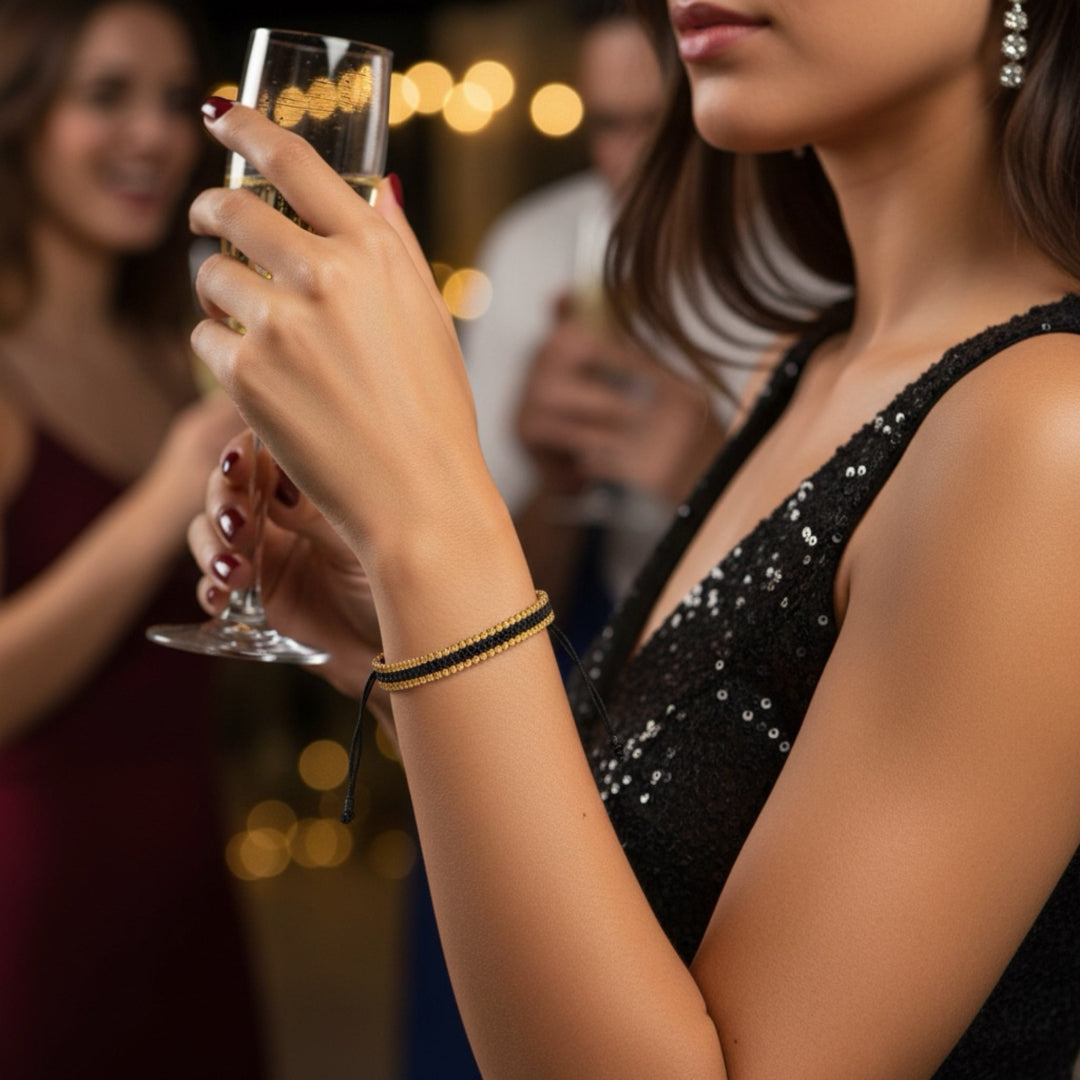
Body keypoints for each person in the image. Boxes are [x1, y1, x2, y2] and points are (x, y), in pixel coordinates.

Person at [188, 0, 1080, 1073]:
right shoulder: (808, 373)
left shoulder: (1048, 431)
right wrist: (395, 645)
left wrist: (432, 522)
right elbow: (647, 850)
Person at [0, 1, 262, 1076]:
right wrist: (165, 498)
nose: (154, 135)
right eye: (106, 95)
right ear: (18, 115)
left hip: (194, 892)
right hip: (33, 918)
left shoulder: (177, 355)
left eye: (174, 100)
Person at [463, 1, 756, 630]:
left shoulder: (811, 258)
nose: (634, 164)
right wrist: (550, 475)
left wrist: (704, 471)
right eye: (608, 125)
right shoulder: (536, 243)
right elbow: (488, 619)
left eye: (660, 124)